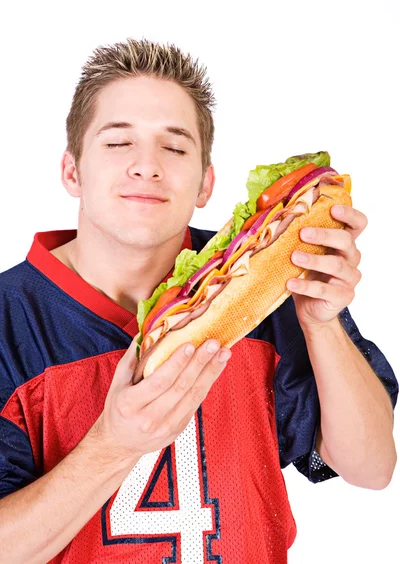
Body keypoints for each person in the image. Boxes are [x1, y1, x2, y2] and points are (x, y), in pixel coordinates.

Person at [0, 38, 397, 564]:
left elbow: (371, 468)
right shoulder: (9, 318)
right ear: (72, 171)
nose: (147, 166)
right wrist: (113, 446)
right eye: (118, 143)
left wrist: (321, 324)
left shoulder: (265, 285)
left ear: (206, 182)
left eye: (175, 146)